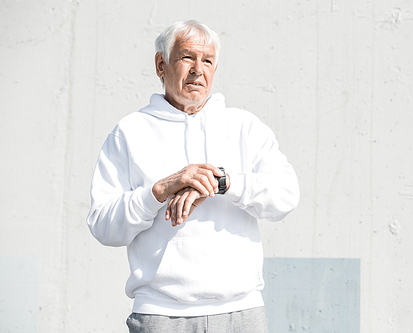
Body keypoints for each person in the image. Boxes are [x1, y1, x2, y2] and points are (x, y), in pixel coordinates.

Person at [86, 20, 300, 333]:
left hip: (241, 313)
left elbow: (286, 196)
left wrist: (222, 182)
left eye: (208, 61)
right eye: (187, 57)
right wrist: (159, 191)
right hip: (160, 315)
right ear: (161, 64)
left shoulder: (245, 127)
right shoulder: (129, 133)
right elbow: (103, 225)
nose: (198, 69)